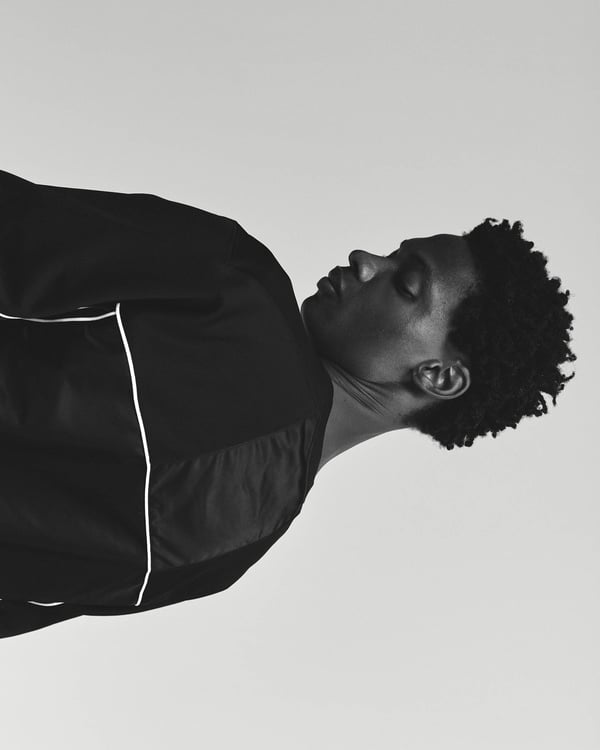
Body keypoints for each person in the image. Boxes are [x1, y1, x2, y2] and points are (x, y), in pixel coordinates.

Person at [0, 170, 575, 639]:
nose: (365, 260)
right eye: (393, 254)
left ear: (439, 376)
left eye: (406, 284)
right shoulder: (232, 550)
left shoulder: (234, 283)